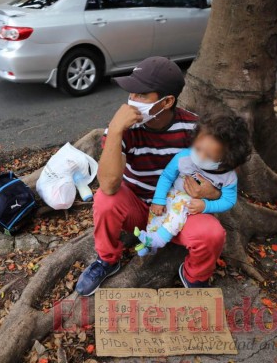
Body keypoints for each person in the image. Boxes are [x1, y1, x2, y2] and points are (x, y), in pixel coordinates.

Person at [75, 56, 226, 296]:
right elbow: (108, 184)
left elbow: (222, 174)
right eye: (131, 92)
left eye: (142, 95)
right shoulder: (124, 128)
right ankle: (107, 260)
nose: (131, 101)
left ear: (166, 102)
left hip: (178, 211)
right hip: (136, 207)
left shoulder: (195, 130)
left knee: (213, 234)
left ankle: (194, 275)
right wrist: (115, 130)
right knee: (105, 199)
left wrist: (213, 193)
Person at [133, 113, 251, 289]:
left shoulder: (228, 177)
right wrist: (158, 200)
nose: (200, 156)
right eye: (198, 148)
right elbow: (166, 176)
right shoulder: (183, 158)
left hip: (193, 209)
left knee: (181, 217)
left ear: (228, 159)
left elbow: (229, 200)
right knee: (158, 216)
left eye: (209, 155)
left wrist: (206, 205)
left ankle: (167, 250)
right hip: (173, 197)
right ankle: (150, 241)